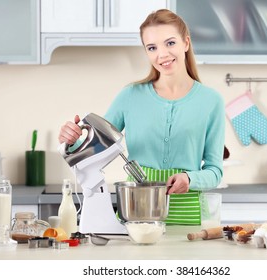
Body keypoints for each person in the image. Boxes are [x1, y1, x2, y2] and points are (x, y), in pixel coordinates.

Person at [58, 9, 225, 225]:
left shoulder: (211, 101)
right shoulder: (130, 96)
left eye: (170, 43)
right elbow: (97, 145)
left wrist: (190, 178)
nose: (162, 54)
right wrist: (72, 139)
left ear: (186, 43)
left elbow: (215, 171)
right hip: (136, 212)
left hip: (186, 218)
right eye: (152, 48)